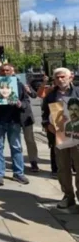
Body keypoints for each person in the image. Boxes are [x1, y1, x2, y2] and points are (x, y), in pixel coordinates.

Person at [0, 64, 30, 186]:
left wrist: (20, 104)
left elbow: (26, 101)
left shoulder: (19, 84)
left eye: (7, 70)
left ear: (12, 71)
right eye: (2, 70)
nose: (5, 72)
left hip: (14, 120)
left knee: (16, 148)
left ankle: (18, 173)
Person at [42, 68, 79, 208]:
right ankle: (68, 196)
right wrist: (48, 126)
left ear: (71, 77)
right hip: (60, 137)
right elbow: (45, 116)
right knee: (63, 168)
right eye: (57, 78)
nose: (60, 80)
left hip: (77, 137)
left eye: (63, 77)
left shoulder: (78, 92)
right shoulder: (51, 96)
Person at [22, 83, 40, 172]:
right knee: (14, 142)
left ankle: (33, 161)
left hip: (26, 116)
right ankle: (17, 161)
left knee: (30, 139)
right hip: (11, 117)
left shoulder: (23, 84)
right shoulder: (2, 83)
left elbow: (34, 95)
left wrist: (28, 90)